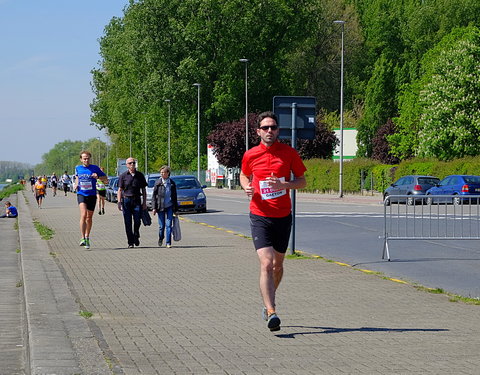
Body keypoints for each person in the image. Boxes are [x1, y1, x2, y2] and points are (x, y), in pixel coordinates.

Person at [240, 111, 307, 332]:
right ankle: (271, 311)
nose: (270, 131)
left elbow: (302, 181)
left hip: (283, 216)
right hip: (259, 214)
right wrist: (245, 186)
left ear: (278, 130)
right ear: (258, 131)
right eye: (266, 127)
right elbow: (244, 174)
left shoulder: (289, 153)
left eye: (274, 127)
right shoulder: (250, 155)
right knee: (266, 263)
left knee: (278, 265)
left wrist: (284, 186)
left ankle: (268, 297)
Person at [74, 150, 108, 250]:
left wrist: (98, 177)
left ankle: (87, 236)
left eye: (88, 158)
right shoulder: (78, 168)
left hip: (92, 195)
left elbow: (105, 179)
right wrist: (76, 184)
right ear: (81, 159)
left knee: (89, 217)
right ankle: (82, 237)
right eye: (84, 158)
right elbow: (77, 178)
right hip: (81, 194)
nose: (86, 160)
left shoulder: (95, 168)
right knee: (83, 214)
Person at [117, 157, 147, 248]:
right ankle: (130, 242)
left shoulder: (140, 175)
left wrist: (144, 203)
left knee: (137, 220)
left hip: (137, 200)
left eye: (133, 163)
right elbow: (119, 190)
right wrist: (119, 202)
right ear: (127, 165)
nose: (132, 164)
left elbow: (144, 190)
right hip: (126, 200)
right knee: (128, 222)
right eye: (130, 163)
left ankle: (136, 235)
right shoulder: (123, 176)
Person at [152, 166, 178, 248]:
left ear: (168, 173)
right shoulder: (158, 183)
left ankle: (168, 242)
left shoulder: (172, 183)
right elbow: (154, 196)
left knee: (168, 225)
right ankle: (161, 238)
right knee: (161, 226)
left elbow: (175, 197)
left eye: (164, 172)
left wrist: (176, 209)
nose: (162, 174)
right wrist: (154, 208)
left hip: (169, 206)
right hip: (160, 206)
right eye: (161, 172)